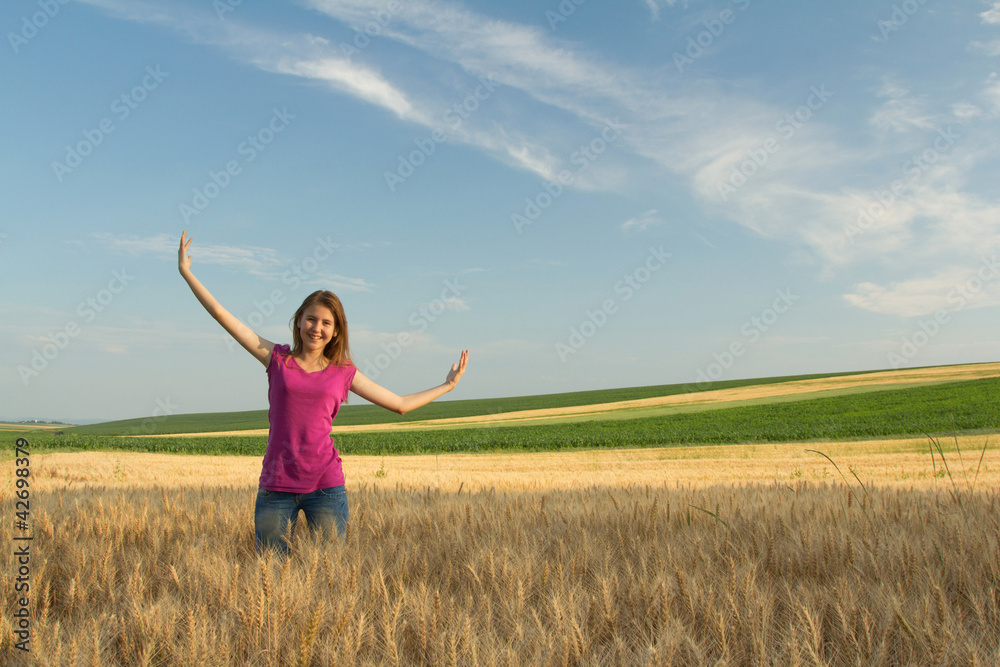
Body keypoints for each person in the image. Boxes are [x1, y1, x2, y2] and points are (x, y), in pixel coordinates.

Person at [178, 231, 468, 557]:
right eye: (311, 319)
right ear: (299, 321)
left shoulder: (343, 371)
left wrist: (447, 386)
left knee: (329, 579)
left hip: (326, 488)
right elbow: (223, 316)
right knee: (271, 578)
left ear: (335, 331)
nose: (317, 328)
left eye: (326, 323)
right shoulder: (277, 359)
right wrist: (188, 273)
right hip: (276, 487)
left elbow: (399, 405)